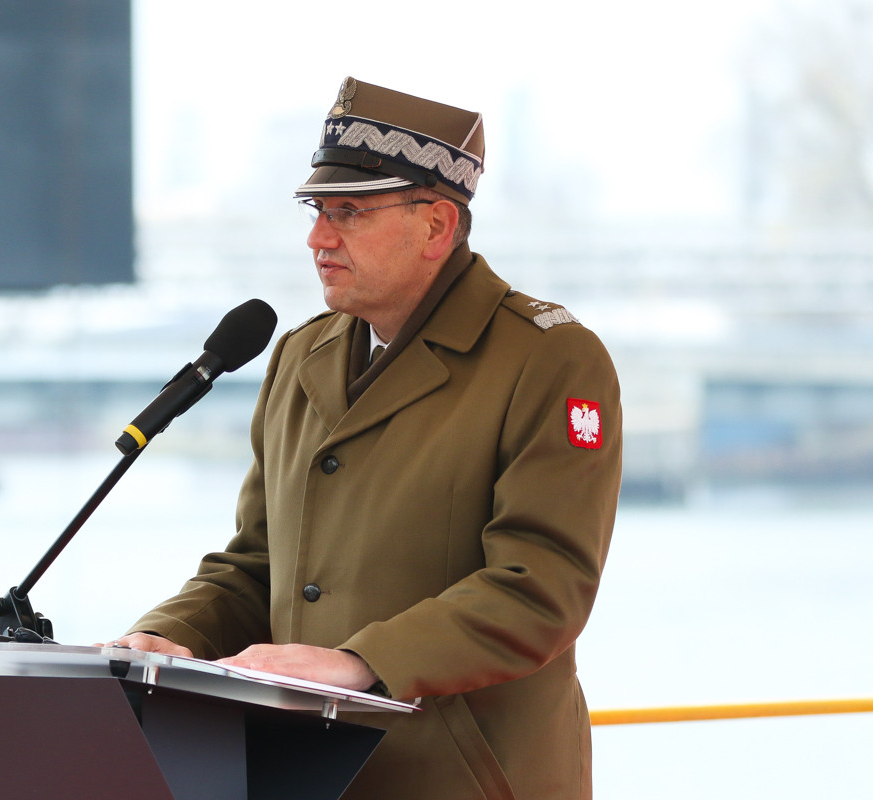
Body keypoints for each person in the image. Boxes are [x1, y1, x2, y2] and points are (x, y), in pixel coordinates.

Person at [104, 77, 622, 800]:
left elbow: (542, 588)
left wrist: (360, 662)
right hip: (303, 775)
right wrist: (166, 638)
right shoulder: (300, 356)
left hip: (463, 782)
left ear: (437, 225)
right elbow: (257, 565)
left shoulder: (547, 359)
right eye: (318, 211)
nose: (318, 238)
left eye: (349, 212)